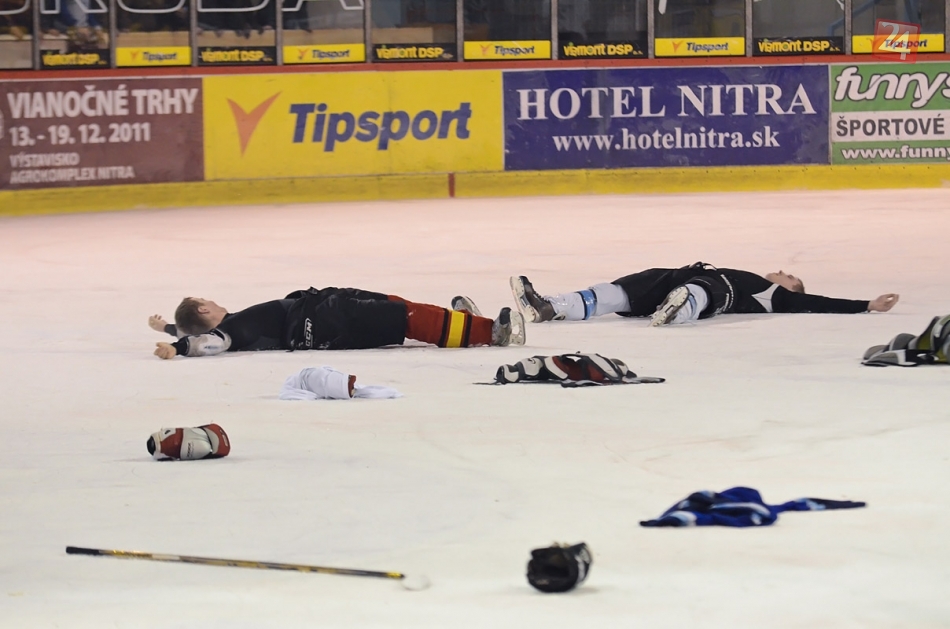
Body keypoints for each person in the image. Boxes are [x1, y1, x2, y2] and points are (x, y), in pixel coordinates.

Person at [151, 288, 523, 359]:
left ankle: (463, 323)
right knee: (404, 318)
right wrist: (178, 347)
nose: (212, 300)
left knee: (395, 304)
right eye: (205, 300)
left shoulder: (235, 323)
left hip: (322, 306)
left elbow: (200, 334)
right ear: (203, 310)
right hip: (325, 322)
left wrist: (170, 330)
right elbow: (211, 343)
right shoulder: (233, 331)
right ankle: (488, 334)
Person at [509, 262, 899, 327]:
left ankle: (678, 309)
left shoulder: (776, 296)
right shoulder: (758, 280)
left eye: (791, 276)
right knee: (624, 291)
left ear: (790, 289)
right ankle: (551, 307)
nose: (784, 271)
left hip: (710, 289)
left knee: (706, 288)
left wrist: (866, 305)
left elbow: (818, 304)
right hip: (679, 275)